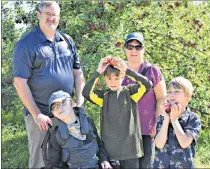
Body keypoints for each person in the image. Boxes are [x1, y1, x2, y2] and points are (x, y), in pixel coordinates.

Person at [13, 1, 85, 168]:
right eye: (47, 14)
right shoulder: (26, 45)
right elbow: (19, 82)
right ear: (38, 15)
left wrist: (79, 104)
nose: (51, 18)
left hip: (67, 114)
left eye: (55, 15)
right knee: (42, 161)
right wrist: (37, 114)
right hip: (42, 117)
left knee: (68, 159)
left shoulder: (67, 40)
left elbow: (78, 73)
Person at [82, 56, 152, 168]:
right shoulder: (103, 97)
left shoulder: (131, 93)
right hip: (111, 153)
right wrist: (98, 72)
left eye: (117, 77)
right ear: (104, 79)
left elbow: (147, 84)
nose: (113, 82)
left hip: (131, 151)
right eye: (109, 78)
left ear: (123, 76)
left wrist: (127, 70)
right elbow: (86, 92)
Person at [121, 32, 167, 168]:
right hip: (125, 131)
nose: (133, 50)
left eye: (138, 47)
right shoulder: (118, 70)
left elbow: (162, 98)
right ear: (125, 49)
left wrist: (157, 124)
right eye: (130, 46)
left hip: (147, 129)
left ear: (143, 49)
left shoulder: (152, 71)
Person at [46, 90, 112, 168]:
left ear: (72, 103)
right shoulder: (55, 134)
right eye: (53, 107)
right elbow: (54, 164)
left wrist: (104, 160)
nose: (58, 108)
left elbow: (99, 144)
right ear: (54, 114)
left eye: (62, 103)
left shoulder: (88, 123)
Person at [153, 77, 201, 168]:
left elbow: (184, 143)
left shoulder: (193, 119)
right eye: (169, 92)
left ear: (188, 97)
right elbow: (159, 144)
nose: (171, 95)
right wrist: (167, 120)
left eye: (176, 91)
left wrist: (174, 120)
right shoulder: (162, 118)